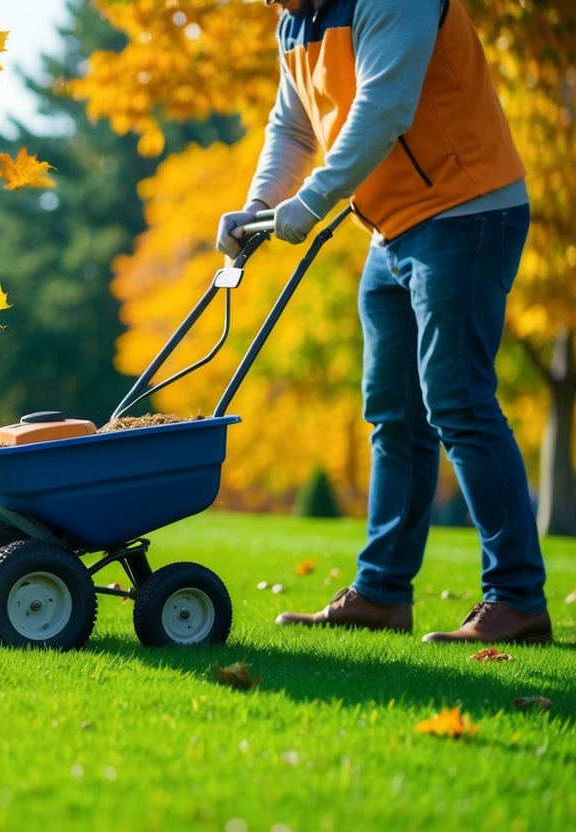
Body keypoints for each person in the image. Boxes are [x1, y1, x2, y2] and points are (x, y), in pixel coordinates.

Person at [217, 0, 551, 643]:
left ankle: (517, 598)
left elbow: (384, 106)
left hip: (467, 208)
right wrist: (257, 204)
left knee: (457, 399)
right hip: (392, 228)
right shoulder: (297, 20)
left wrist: (312, 199)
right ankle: (382, 594)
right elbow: (292, 127)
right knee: (394, 415)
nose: (266, 3)